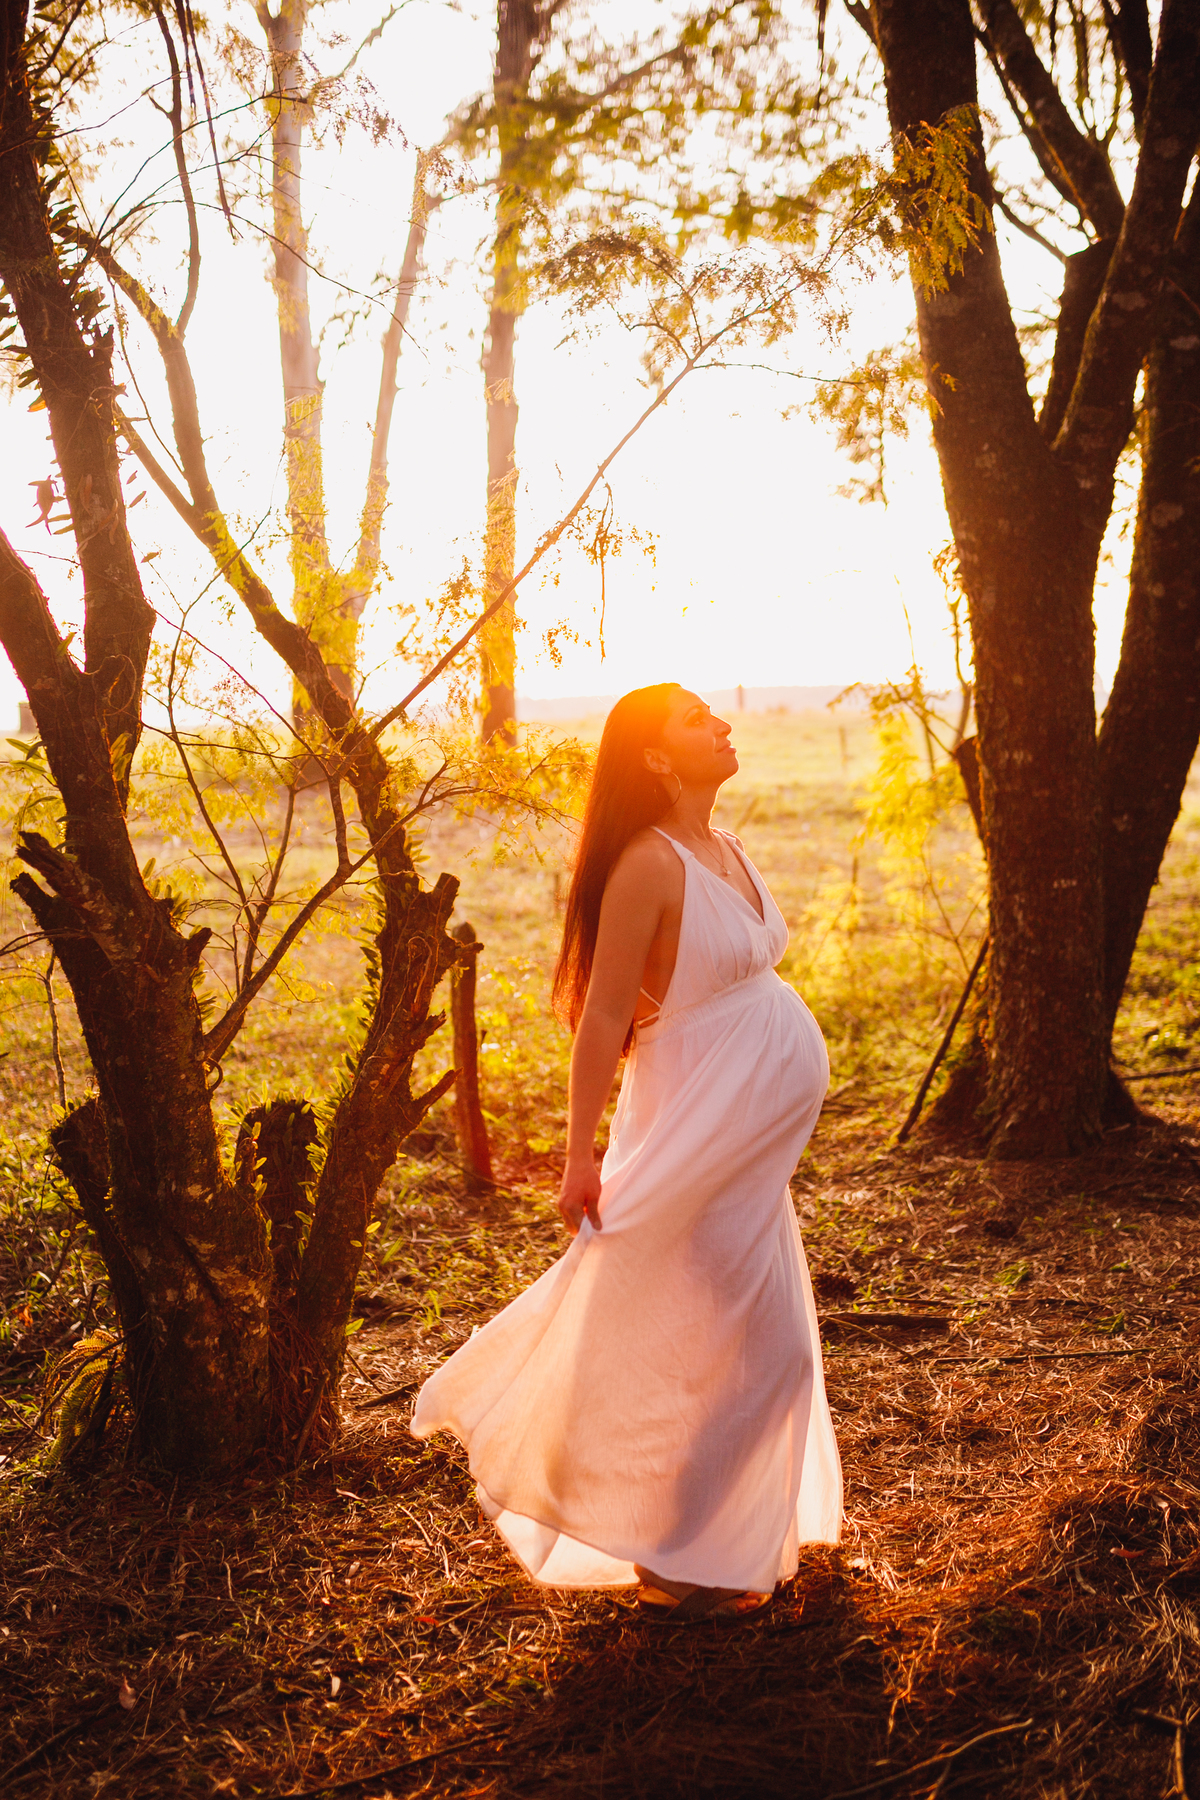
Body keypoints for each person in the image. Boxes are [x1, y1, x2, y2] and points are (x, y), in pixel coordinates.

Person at [411, 682, 842, 1621]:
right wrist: (579, 1157)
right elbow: (604, 1015)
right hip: (698, 1125)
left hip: (748, 1154)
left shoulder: (725, 847)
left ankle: (688, 1544)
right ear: (654, 757)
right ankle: (669, 1544)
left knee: (763, 1350)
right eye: (697, 720)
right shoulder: (647, 864)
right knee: (717, 1339)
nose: (723, 723)